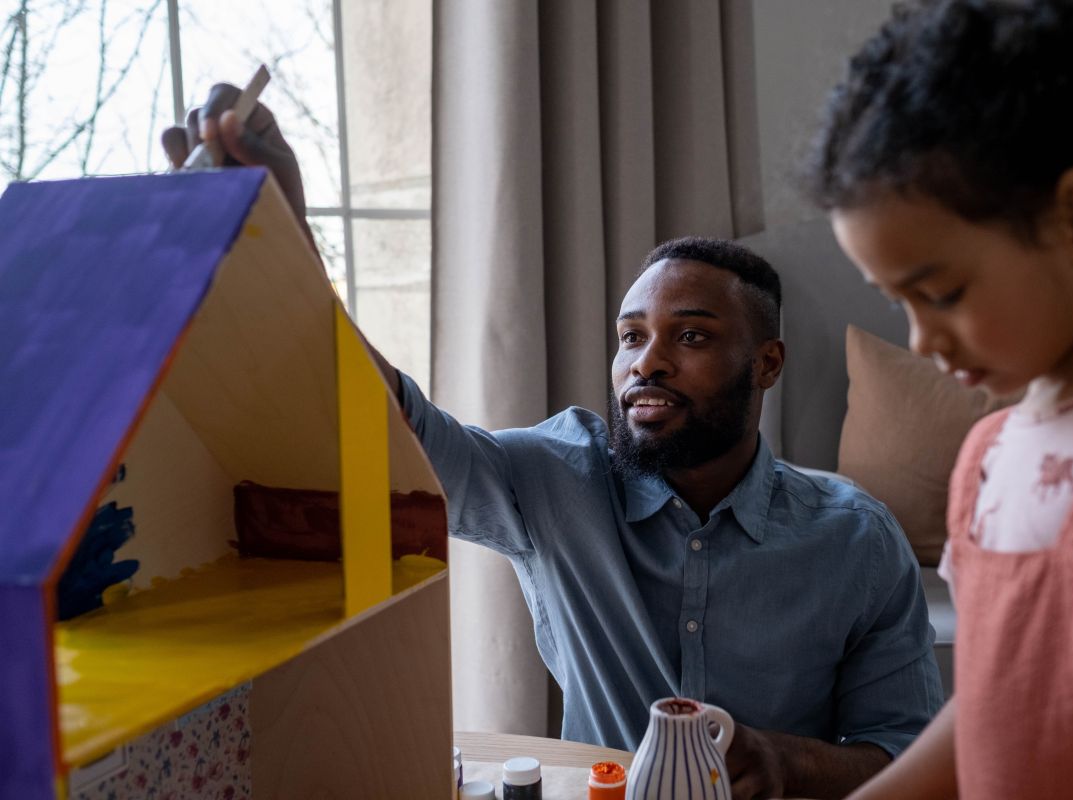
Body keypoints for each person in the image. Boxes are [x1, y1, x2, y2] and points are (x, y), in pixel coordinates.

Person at [164, 94, 942, 800]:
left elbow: (905, 753)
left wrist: (783, 762)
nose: (647, 362)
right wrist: (290, 242)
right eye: (631, 337)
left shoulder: (856, 540)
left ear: (766, 363)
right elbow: (395, 427)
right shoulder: (556, 477)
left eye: (692, 336)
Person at [804, 0, 1073, 797]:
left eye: (942, 292)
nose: (921, 339)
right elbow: (987, 706)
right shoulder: (989, 455)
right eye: (898, 303)